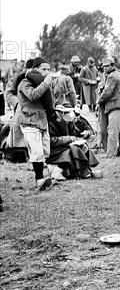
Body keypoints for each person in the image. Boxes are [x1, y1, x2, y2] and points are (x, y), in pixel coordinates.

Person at [14, 57, 57, 190]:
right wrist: (46, 83)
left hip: (41, 121)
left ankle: (43, 177)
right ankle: (39, 180)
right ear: (35, 69)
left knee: (45, 152)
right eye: (43, 69)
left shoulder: (41, 82)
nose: (46, 72)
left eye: (48, 70)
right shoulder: (24, 83)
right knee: (37, 152)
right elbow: (33, 95)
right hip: (29, 121)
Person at [47, 104, 99, 180]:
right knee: (73, 150)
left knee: (83, 146)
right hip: (53, 150)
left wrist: (86, 132)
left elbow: (77, 132)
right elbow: (50, 141)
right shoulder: (50, 123)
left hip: (63, 146)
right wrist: (68, 139)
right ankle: (61, 171)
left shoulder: (67, 122)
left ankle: (84, 170)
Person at [97, 57, 120, 158]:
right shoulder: (117, 74)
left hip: (116, 105)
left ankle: (111, 153)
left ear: (112, 65)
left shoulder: (112, 76)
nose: (105, 68)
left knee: (112, 130)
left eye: (107, 66)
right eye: (104, 66)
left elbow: (107, 92)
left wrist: (98, 101)